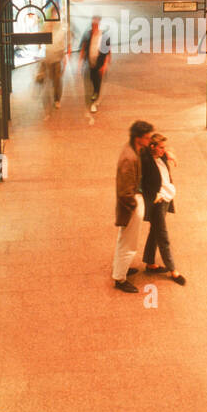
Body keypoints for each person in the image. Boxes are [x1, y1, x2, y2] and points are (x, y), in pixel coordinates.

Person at [113, 120, 154, 292]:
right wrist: (134, 206)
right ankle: (120, 279)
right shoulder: (129, 158)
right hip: (132, 205)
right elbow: (124, 192)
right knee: (129, 243)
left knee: (124, 240)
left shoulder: (135, 149)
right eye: (147, 137)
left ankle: (120, 269)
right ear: (139, 138)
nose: (149, 140)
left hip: (134, 201)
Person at [141, 133, 185, 285]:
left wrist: (167, 152)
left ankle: (149, 262)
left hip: (165, 197)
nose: (163, 150)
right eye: (161, 148)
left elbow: (163, 151)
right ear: (152, 147)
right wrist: (154, 196)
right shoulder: (146, 161)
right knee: (162, 235)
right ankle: (173, 270)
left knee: (155, 230)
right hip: (157, 201)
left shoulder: (161, 156)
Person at [78, 16, 112, 113]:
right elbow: (83, 48)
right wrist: (80, 63)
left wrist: (105, 65)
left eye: (96, 25)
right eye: (93, 25)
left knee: (97, 84)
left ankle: (94, 103)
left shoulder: (104, 36)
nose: (94, 27)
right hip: (90, 63)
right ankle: (93, 97)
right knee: (91, 81)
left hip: (100, 65)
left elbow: (108, 51)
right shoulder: (88, 35)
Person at [40, 18, 67, 114]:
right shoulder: (46, 26)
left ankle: (57, 99)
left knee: (57, 79)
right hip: (49, 57)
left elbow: (62, 42)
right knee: (51, 78)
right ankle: (54, 97)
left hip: (57, 58)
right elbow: (42, 38)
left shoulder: (59, 27)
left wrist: (63, 57)